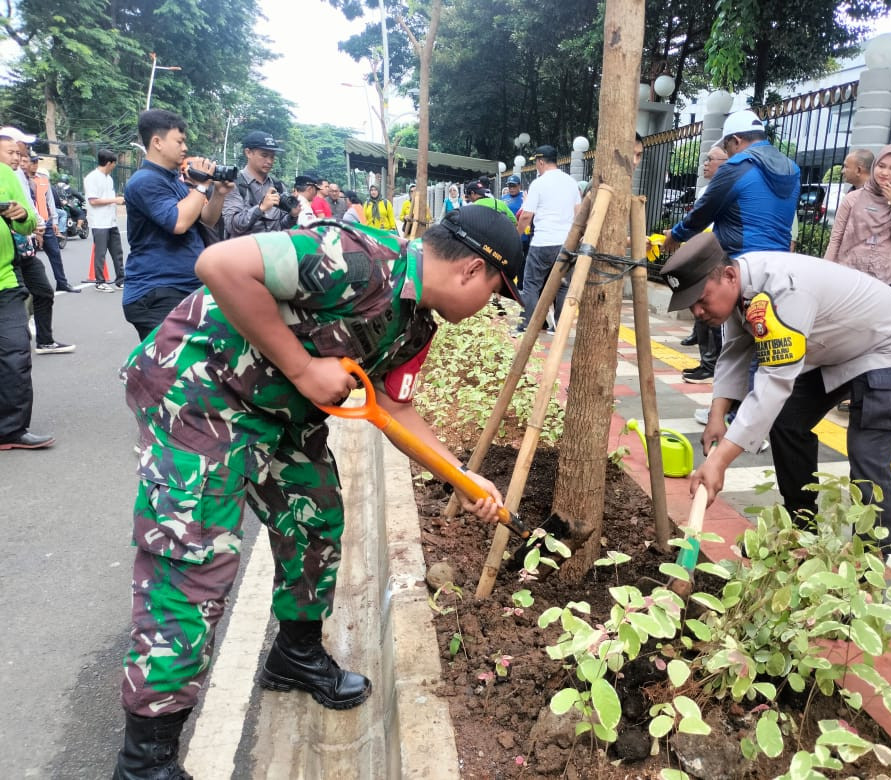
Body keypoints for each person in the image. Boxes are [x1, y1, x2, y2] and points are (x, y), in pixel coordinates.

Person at [111, 205, 522, 778]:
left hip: (276, 412)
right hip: (200, 395)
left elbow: (398, 407)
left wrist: (462, 474)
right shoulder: (355, 260)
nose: (489, 309)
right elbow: (220, 263)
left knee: (315, 520)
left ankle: (294, 654)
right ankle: (146, 759)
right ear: (472, 270)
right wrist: (304, 369)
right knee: (194, 562)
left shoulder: (417, 323)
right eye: (497, 294)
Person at [664, 232, 891, 557]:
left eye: (701, 300)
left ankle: (871, 562)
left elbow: (774, 383)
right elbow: (735, 350)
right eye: (690, 304)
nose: (697, 312)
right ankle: (801, 528)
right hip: (844, 348)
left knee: (866, 451)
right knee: (787, 419)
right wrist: (717, 417)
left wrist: (719, 462)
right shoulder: (741, 289)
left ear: (729, 276)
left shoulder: (783, 290)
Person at [122, 109, 233, 340]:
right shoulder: (145, 181)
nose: (185, 148)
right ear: (157, 142)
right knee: (169, 370)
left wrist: (219, 194)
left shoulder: (173, 179)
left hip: (183, 288)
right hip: (157, 292)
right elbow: (179, 222)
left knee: (195, 365)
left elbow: (205, 219)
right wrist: (201, 185)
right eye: (179, 141)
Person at [662, 110, 800, 257]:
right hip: (778, 264)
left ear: (736, 140)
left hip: (741, 265)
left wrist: (676, 235)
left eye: (726, 147)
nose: (727, 155)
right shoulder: (793, 170)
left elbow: (703, 212)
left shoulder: (737, 167)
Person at [0, 129, 52, 450]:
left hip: (5, 278)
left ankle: (11, 430)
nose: (16, 159)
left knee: (16, 352)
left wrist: (21, 217)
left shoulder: (6, 175)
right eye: (12, 153)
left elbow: (29, 220)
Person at [4, 132, 75, 355]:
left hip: (25, 247)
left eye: (20, 152)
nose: (18, 157)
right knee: (19, 300)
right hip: (10, 257)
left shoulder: (20, 177)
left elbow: (29, 214)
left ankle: (43, 340)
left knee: (43, 291)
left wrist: (30, 220)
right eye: (13, 152)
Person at [824, 143, 891, 287]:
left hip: (884, 279)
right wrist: (825, 272)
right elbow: (836, 238)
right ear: (874, 166)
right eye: (881, 166)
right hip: (848, 275)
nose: (885, 172)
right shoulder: (852, 198)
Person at [514, 145, 581, 334]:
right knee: (562, 285)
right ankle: (558, 326)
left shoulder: (539, 183)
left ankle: (528, 324)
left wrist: (517, 235)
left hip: (542, 243)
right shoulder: (571, 182)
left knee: (532, 285)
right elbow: (578, 213)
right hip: (566, 243)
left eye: (536, 163)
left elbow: (526, 216)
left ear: (541, 162)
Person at [681, 145, 731, 383]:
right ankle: (706, 362)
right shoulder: (704, 191)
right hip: (703, 257)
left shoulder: (732, 186)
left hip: (719, 259)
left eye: (710, 159)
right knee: (700, 314)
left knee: (714, 315)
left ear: (726, 161)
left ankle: (715, 365)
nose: (705, 164)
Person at [222, 130, 300, 238]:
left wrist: (293, 215)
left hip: (273, 250)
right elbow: (232, 226)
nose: (269, 161)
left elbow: (281, 226)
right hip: (244, 252)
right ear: (248, 153)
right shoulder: (233, 185)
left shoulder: (277, 186)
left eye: (272, 157)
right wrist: (261, 208)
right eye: (264, 155)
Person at [27, 159, 76, 292]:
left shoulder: (43, 179)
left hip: (46, 223)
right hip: (30, 224)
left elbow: (50, 201)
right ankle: (31, 289)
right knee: (30, 257)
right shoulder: (22, 180)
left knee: (55, 253)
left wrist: (54, 221)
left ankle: (62, 283)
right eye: (32, 163)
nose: (34, 165)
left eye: (36, 163)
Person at [83, 149, 126, 292]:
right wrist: (115, 200)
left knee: (117, 252)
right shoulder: (92, 178)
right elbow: (93, 201)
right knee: (100, 253)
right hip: (99, 222)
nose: (114, 166)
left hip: (111, 221)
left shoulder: (109, 178)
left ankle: (120, 280)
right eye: (114, 163)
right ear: (109, 163)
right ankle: (100, 282)